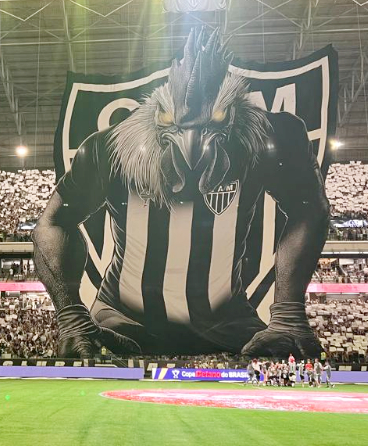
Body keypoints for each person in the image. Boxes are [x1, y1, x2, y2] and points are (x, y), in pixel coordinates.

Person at [33, 27, 330, 358]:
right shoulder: (107, 150)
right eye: (172, 121)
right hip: (121, 318)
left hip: (229, 320)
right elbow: (52, 223)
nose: (191, 140)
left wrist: (288, 312)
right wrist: (72, 317)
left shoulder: (273, 140)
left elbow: (308, 206)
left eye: (215, 120)